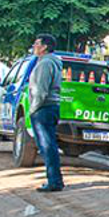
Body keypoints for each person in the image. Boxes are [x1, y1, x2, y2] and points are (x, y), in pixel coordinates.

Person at [30, 34, 65, 193]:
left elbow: (40, 90)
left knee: (47, 146)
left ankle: (54, 181)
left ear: (44, 47)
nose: (34, 46)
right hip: (51, 107)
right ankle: (55, 179)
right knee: (49, 145)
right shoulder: (53, 62)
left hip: (43, 108)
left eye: (36, 43)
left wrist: (33, 109)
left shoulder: (45, 63)